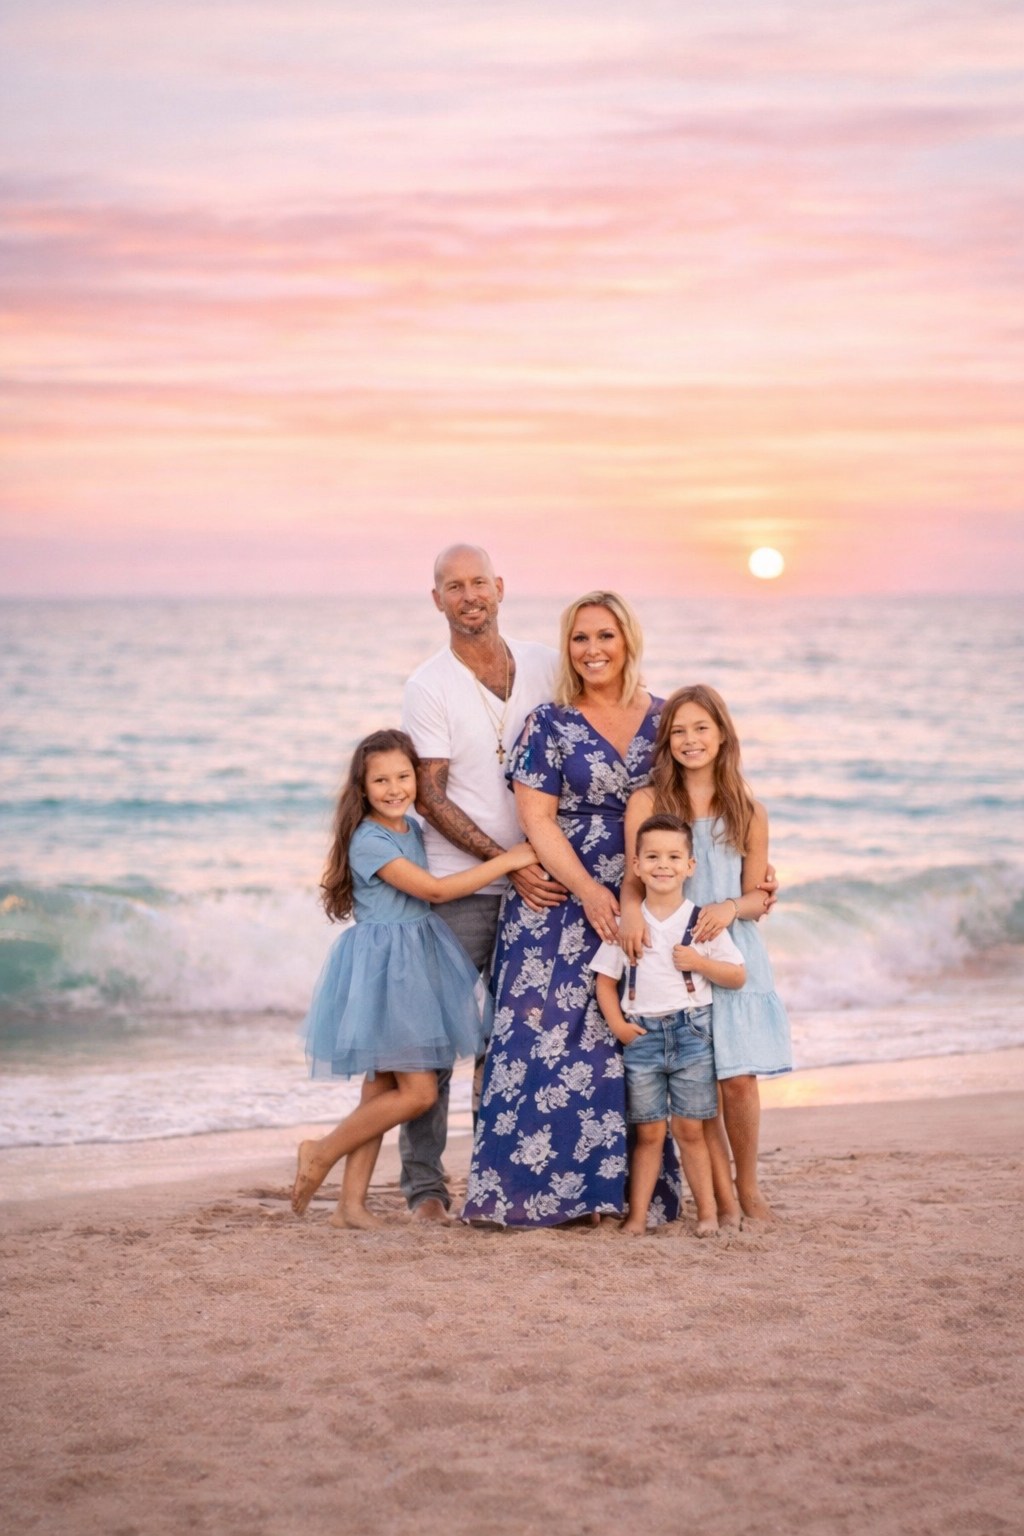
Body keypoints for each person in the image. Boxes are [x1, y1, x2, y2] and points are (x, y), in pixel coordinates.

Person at [461, 591, 683, 1228]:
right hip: (558, 896)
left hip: (646, 894)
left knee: (626, 1040)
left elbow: (700, 795)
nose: (593, 650)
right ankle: (530, 1194)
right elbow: (537, 820)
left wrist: (745, 870)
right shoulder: (549, 723)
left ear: (628, 641)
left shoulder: (666, 717)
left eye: (605, 636)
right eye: (580, 639)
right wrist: (589, 890)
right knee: (541, 1038)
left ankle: (616, 1197)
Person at [291, 729, 536, 1226]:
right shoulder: (369, 840)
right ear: (362, 789)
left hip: (415, 960)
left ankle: (349, 1206)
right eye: (381, 780)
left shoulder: (412, 829)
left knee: (381, 1084)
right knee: (419, 1091)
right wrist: (508, 860)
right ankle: (320, 1151)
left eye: (403, 776)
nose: (395, 788)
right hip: (388, 969)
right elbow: (435, 891)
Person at [399, 544, 565, 1221]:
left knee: (523, 1038)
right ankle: (425, 1189)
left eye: (478, 583)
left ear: (500, 588)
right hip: (457, 886)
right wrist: (511, 862)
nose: (469, 596)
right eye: (452, 586)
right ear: (435, 599)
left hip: (542, 886)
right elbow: (429, 798)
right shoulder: (428, 685)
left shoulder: (546, 664)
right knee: (435, 1039)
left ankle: (506, 1175)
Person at [620, 684, 792, 1224]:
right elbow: (634, 876)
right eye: (679, 730)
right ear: (666, 740)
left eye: (701, 728)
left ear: (722, 734)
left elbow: (757, 896)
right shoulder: (648, 802)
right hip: (670, 958)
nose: (690, 740)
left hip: (730, 947)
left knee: (737, 1079)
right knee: (699, 1083)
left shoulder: (748, 809)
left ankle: (750, 1187)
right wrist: (628, 915)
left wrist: (729, 907)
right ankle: (717, 1199)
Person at [590, 813, 746, 1236]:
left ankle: (708, 1214)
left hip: (692, 1032)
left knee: (691, 1129)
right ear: (636, 866)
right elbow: (605, 983)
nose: (664, 865)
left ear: (690, 866)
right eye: (653, 856)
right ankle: (637, 1218)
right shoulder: (629, 925)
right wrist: (619, 1026)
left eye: (675, 856)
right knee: (649, 1133)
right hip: (641, 1037)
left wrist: (700, 962)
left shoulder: (701, 922)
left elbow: (737, 975)